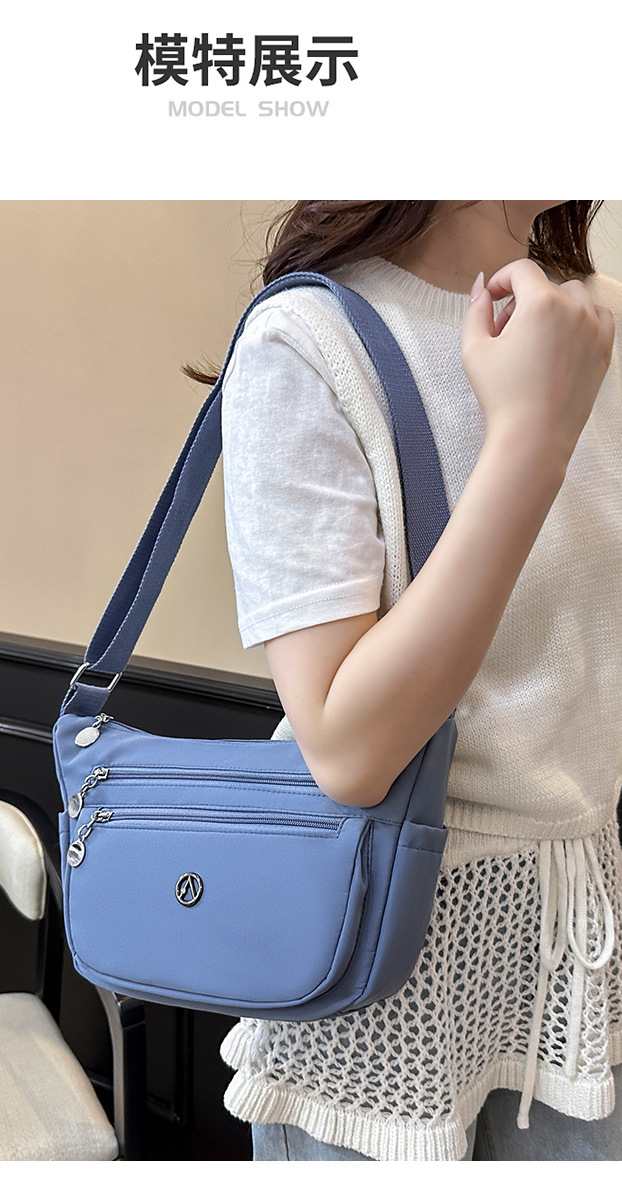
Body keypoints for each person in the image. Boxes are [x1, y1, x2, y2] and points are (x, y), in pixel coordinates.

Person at [199, 201, 622, 1160]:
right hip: (387, 970)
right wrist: (530, 437)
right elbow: (349, 752)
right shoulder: (313, 337)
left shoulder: (597, 324)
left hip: (578, 948)